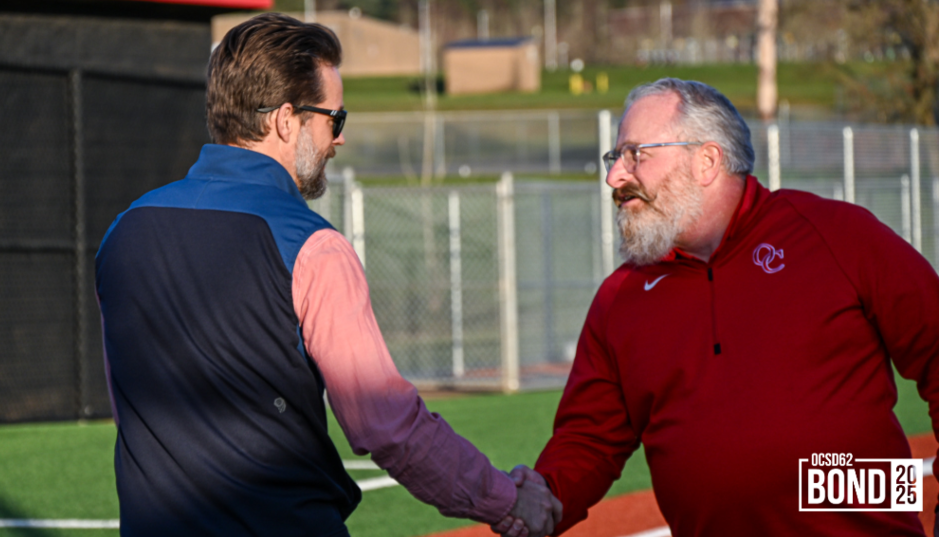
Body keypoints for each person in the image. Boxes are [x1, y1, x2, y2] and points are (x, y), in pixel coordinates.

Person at [94, 13, 560, 537]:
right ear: (286, 120)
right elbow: (388, 425)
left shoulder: (122, 233)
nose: (339, 139)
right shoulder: (311, 245)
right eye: (334, 119)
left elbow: (127, 406)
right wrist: (506, 499)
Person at [492, 78, 939, 537]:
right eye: (615, 159)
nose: (615, 177)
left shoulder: (836, 235)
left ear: (706, 161)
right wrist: (545, 496)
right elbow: (589, 439)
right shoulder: (620, 298)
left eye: (635, 155)